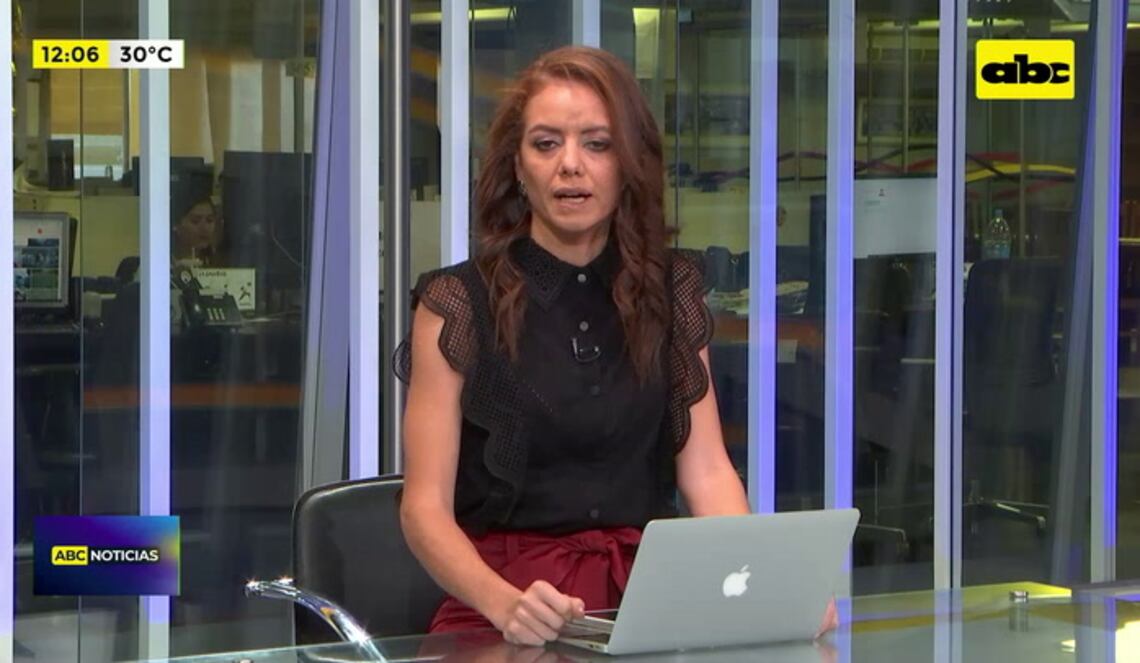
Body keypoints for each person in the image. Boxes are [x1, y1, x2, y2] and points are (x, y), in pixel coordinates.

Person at [398, 45, 836, 648]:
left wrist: (763, 584)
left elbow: (707, 471)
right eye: (546, 144)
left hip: (650, 598)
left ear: (628, 162)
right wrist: (504, 603)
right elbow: (423, 510)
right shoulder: (456, 302)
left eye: (597, 144)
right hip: (506, 605)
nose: (570, 165)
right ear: (518, 166)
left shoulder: (669, 292)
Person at [172, 196, 222, 266]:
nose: (205, 228)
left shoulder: (220, 262)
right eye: (195, 221)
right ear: (176, 224)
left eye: (210, 220)